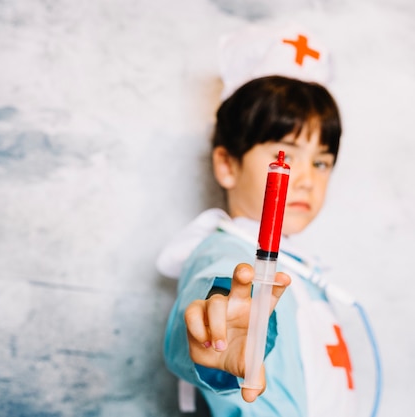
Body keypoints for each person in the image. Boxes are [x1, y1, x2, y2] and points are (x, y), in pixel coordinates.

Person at [157, 25, 381, 417]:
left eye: (322, 162)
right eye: (286, 156)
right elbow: (212, 300)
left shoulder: (303, 271)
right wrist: (214, 337)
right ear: (227, 165)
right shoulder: (226, 255)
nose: (308, 178)